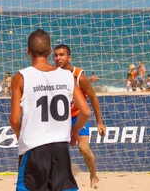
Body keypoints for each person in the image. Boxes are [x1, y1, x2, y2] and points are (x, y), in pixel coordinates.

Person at [10, 30, 90, 191]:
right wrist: (74, 130)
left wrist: (21, 136)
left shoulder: (21, 77)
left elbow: (14, 120)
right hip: (60, 147)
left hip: (33, 148)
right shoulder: (67, 76)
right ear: (49, 51)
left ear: (27, 51)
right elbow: (86, 112)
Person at [54, 44, 107, 189]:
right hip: (60, 118)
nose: (58, 58)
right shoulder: (52, 74)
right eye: (56, 55)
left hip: (78, 117)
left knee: (83, 148)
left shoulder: (79, 76)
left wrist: (100, 122)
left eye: (62, 55)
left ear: (69, 57)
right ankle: (64, 175)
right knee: (56, 150)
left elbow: (93, 97)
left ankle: (93, 175)